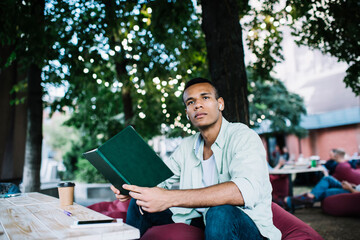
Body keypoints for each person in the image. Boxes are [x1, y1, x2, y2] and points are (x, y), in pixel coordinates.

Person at [111, 78, 281, 239]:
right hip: (200, 221)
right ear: (187, 112)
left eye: (205, 97)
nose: (197, 105)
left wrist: (169, 198)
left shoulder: (244, 136)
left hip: (246, 226)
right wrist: (131, 187)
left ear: (220, 104)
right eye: (190, 102)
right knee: (140, 203)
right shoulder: (187, 146)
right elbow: (158, 182)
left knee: (219, 212)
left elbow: (243, 191)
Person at [285, 175, 360, 213]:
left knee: (325, 191)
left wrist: (350, 188)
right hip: (353, 188)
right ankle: (310, 196)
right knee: (327, 179)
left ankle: (294, 200)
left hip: (352, 192)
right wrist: (353, 186)